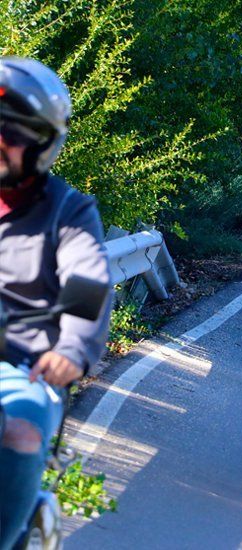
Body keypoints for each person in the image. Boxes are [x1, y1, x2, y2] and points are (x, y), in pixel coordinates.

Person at [0, 57, 112, 550]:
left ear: (44, 144)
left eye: (13, 132)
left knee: (20, 431)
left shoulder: (68, 210)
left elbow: (88, 277)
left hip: (22, 363)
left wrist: (73, 347)